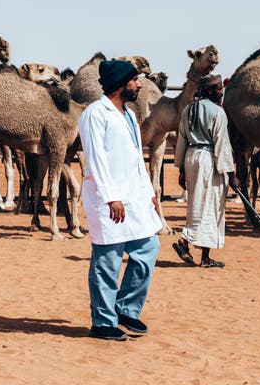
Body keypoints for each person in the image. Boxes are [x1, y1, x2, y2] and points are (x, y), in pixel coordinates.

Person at [78, 60, 163, 341]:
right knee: (108, 261)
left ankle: (126, 308)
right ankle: (102, 322)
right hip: (108, 198)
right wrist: (111, 197)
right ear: (120, 83)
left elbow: (137, 158)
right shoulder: (95, 114)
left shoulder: (128, 115)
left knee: (148, 248)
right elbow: (96, 159)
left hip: (135, 198)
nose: (139, 84)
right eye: (135, 80)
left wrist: (149, 191)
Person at [172, 74, 240, 268]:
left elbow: (182, 139)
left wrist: (182, 170)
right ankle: (188, 241)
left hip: (191, 157)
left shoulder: (188, 110)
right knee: (211, 204)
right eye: (218, 88)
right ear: (210, 91)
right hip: (209, 160)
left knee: (197, 202)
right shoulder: (218, 113)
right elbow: (222, 145)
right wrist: (232, 174)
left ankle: (202, 254)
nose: (221, 92)